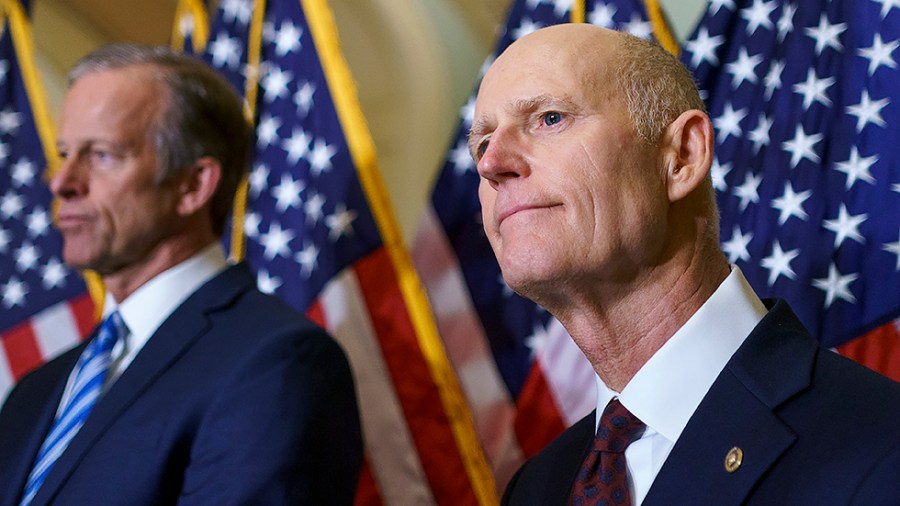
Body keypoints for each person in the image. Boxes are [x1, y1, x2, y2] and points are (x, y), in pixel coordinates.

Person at [470, 24, 900, 505]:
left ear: (682, 156)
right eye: (482, 143)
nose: (492, 163)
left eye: (550, 118)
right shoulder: (536, 488)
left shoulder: (881, 451)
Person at [0, 44, 362, 505]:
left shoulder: (276, 363)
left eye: (102, 155)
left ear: (192, 186)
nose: (62, 182)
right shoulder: (35, 390)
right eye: (65, 153)